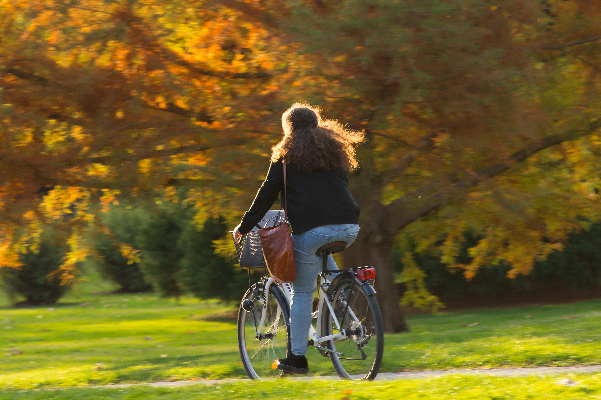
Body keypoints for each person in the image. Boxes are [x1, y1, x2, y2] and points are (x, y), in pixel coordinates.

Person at [233, 102, 364, 374]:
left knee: (303, 292)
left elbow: (266, 195)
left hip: (313, 231)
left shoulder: (285, 158)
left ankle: (297, 360)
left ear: (288, 130)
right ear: (318, 126)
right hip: (350, 226)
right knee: (322, 261)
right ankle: (338, 302)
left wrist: (244, 226)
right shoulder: (334, 153)